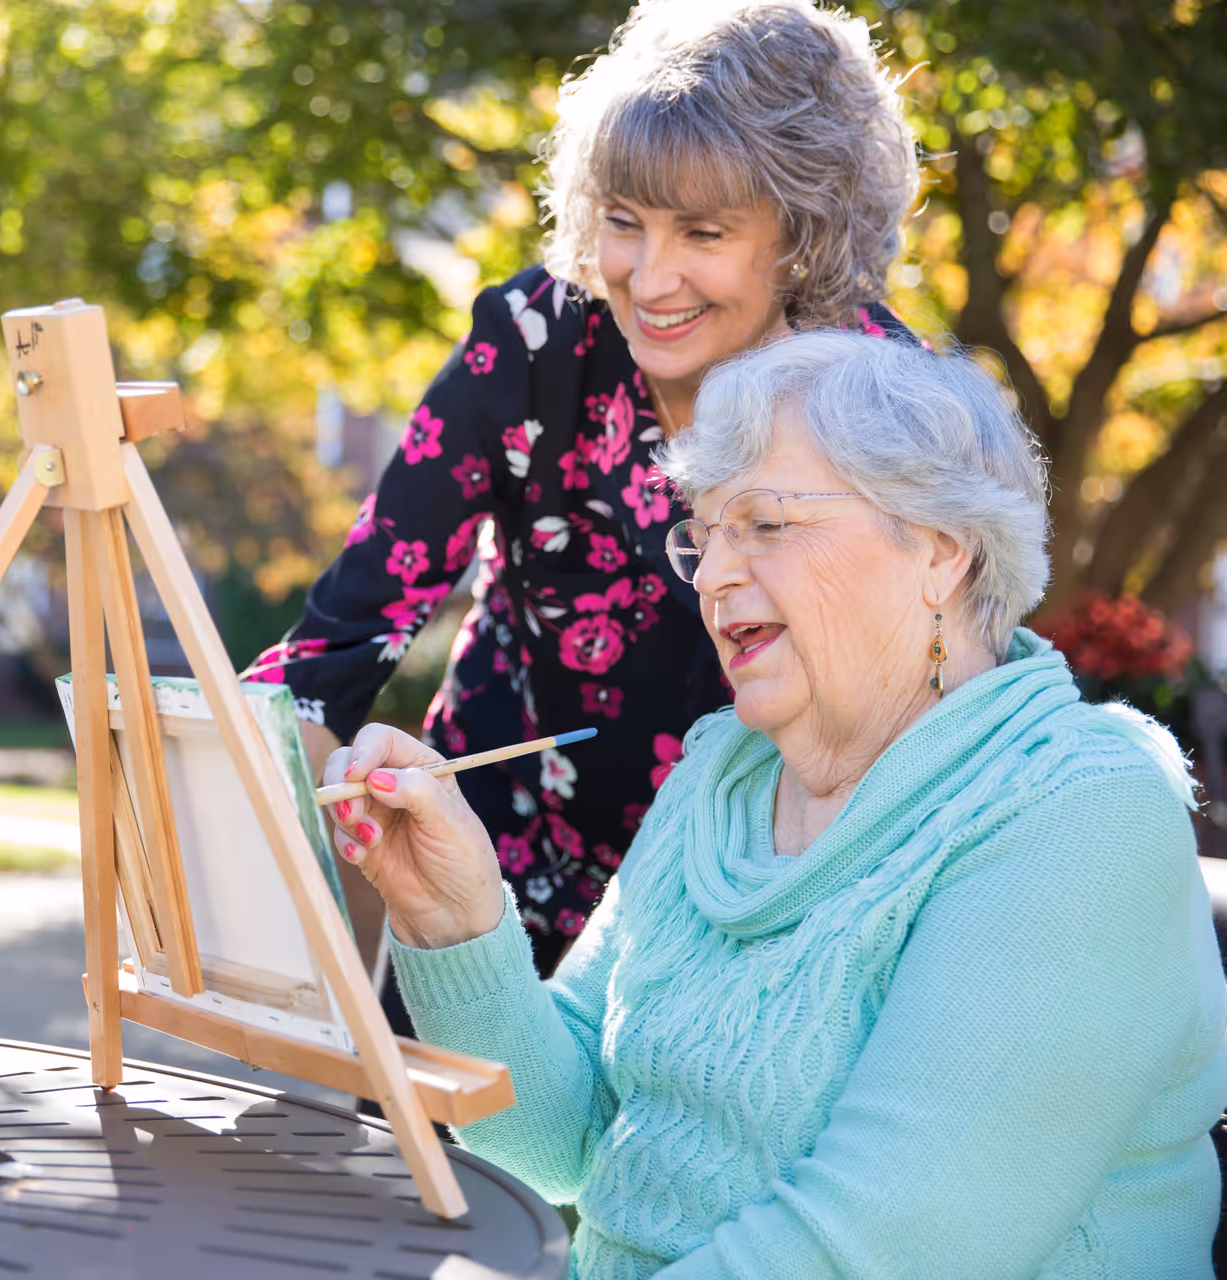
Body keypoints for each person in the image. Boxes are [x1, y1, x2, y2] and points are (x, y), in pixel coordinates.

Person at [323, 331, 1227, 1276]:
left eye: (764, 522)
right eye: (704, 534)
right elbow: (563, 1146)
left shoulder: (1078, 812)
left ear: (941, 552)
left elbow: (876, 1250)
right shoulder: (725, 770)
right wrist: (454, 917)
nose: (711, 576)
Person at [246, 0, 925, 985]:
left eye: (703, 231)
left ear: (802, 232)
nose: (649, 278)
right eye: (623, 221)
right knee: (419, 1142)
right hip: (489, 875)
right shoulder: (532, 340)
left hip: (754, 905)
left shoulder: (879, 397)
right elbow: (343, 640)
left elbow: (918, 696)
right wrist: (233, 777)